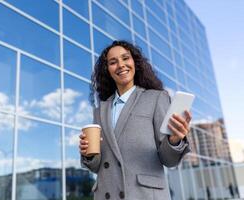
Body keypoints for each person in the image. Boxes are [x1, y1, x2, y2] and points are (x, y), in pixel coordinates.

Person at [79, 40, 192, 200]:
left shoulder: (156, 98)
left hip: (144, 194)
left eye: (126, 58)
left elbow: (169, 160)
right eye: (113, 62)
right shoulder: (100, 110)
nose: (120, 65)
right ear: (108, 70)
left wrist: (174, 141)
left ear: (135, 63)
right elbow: (97, 165)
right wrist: (88, 154)